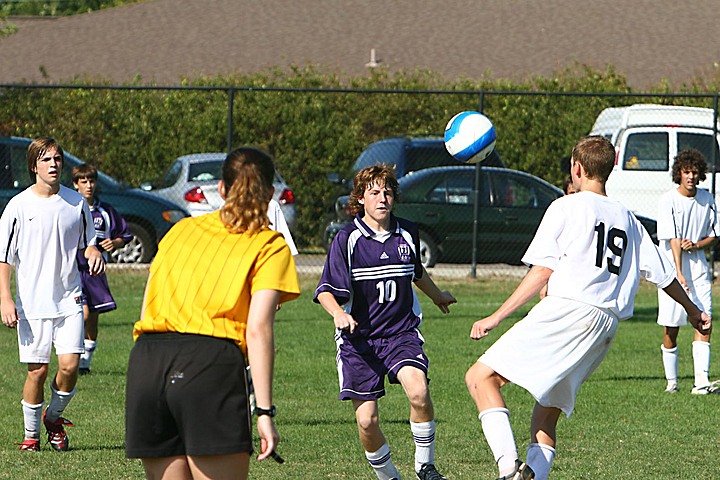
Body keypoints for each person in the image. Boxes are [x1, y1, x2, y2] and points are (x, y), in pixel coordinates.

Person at [464, 136, 711, 480]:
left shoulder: (567, 206)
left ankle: (507, 471)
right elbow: (664, 274)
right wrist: (693, 310)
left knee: (480, 378)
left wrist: (496, 316)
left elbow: (542, 272)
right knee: (545, 415)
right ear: (609, 171)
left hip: (569, 309)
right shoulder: (628, 217)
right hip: (604, 326)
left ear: (576, 168)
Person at [125, 147, 300, 480]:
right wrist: (264, 411)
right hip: (208, 364)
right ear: (270, 194)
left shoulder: (180, 230)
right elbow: (258, 329)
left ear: (221, 189)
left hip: (148, 362)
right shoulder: (268, 243)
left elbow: (148, 303)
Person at [314, 164, 457, 480]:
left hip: (400, 333)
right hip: (358, 340)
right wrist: (339, 314)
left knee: (418, 392)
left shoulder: (407, 232)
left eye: (388, 192)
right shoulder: (347, 239)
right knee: (367, 422)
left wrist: (437, 296)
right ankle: (389, 477)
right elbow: (325, 291)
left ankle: (426, 467)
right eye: (374, 192)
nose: (382, 199)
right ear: (361, 199)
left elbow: (416, 271)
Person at [0, 137, 105, 452]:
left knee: (70, 366)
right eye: (46, 160)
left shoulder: (76, 203)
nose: (54, 164)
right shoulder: (18, 206)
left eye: (57, 159)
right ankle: (31, 436)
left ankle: (53, 418)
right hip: (32, 303)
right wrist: (5, 299)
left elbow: (88, 241)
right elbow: (3, 258)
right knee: (38, 371)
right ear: (34, 166)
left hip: (69, 298)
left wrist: (92, 250)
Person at [656, 149, 720, 394]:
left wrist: (696, 245)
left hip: (699, 268)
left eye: (694, 172)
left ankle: (701, 383)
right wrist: (679, 273)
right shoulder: (668, 200)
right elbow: (672, 238)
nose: (691, 177)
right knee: (671, 327)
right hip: (673, 269)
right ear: (678, 174)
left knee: (704, 321)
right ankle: (672, 383)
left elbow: (714, 235)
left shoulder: (707, 198)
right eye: (686, 172)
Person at [72, 163, 134, 375]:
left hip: (95, 271)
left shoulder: (105, 211)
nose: (88, 186)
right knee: (84, 314)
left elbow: (125, 235)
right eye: (83, 182)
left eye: (91, 181)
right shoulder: (70, 209)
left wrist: (115, 243)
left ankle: (85, 364)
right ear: (75, 185)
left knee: (93, 317)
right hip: (74, 269)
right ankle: (73, 357)